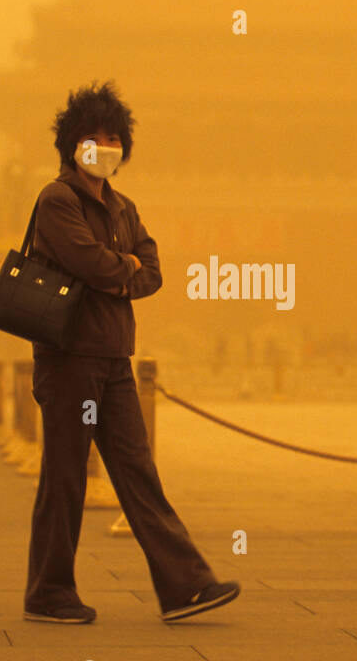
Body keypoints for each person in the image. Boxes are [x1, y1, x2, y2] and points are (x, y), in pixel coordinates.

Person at [23, 81, 239, 624]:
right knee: (67, 475)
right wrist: (124, 271)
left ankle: (185, 584)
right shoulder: (57, 200)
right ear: (72, 144)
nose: (105, 145)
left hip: (115, 358)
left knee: (138, 472)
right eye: (94, 137)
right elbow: (94, 264)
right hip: (69, 358)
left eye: (114, 138)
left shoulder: (123, 207)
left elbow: (154, 271)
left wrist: (120, 273)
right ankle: (49, 592)